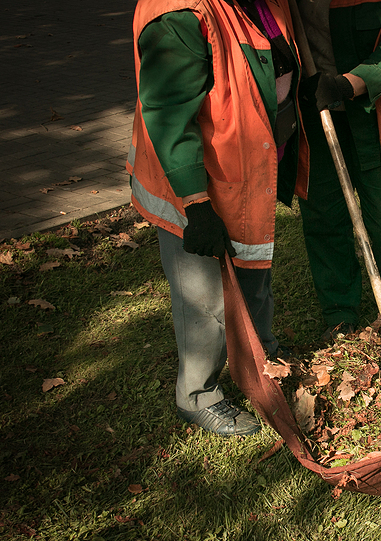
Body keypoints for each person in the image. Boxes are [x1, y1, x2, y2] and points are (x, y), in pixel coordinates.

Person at [127, 0, 303, 435]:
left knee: (252, 274)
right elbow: (169, 115)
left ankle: (262, 363)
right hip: (193, 181)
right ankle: (197, 395)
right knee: (204, 295)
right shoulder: (179, 15)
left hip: (244, 171)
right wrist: (196, 205)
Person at [293, 0, 381, 339]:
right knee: (324, 212)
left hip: (380, 108)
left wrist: (345, 85)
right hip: (313, 104)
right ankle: (339, 313)